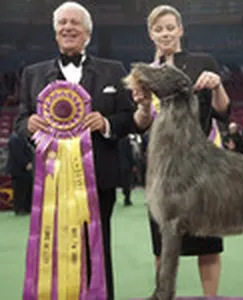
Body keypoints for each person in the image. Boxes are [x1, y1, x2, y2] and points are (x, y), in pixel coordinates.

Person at [13, 2, 135, 299]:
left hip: (98, 179)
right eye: (62, 23)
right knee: (50, 249)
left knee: (97, 247)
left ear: (88, 33)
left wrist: (106, 122)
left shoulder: (113, 70)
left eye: (75, 23)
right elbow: (19, 121)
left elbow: (130, 118)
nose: (68, 27)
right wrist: (28, 124)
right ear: (55, 33)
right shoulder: (32, 73)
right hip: (50, 180)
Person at [131, 5, 230, 296]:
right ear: (151, 34)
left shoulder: (203, 61)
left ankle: (210, 297)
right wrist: (143, 104)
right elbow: (141, 123)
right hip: (162, 169)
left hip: (202, 166)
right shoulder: (144, 73)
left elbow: (223, 111)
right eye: (158, 29)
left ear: (181, 29)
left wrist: (218, 84)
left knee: (208, 243)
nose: (165, 33)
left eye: (170, 27)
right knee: (163, 243)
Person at [6, 132, 33, 215]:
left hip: (28, 170)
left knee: (28, 189)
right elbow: (17, 154)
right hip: (18, 170)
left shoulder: (25, 137)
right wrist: (25, 163)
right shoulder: (15, 138)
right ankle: (19, 208)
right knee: (19, 190)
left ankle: (27, 207)